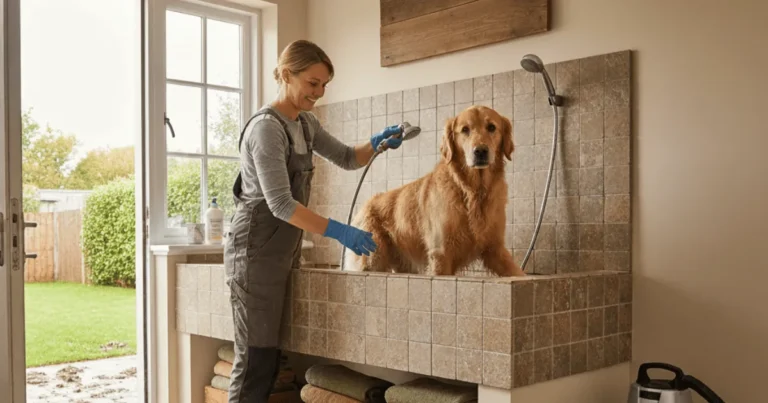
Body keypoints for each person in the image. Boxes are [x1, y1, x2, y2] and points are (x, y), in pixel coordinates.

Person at [223, 39, 403, 403]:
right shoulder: (266, 129)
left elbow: (348, 158)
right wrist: (339, 232)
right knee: (255, 361)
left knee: (270, 361)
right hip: (253, 254)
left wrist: (377, 143)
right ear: (287, 75)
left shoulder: (305, 123)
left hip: (281, 252)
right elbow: (280, 204)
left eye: (323, 85)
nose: (318, 93)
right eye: (312, 83)